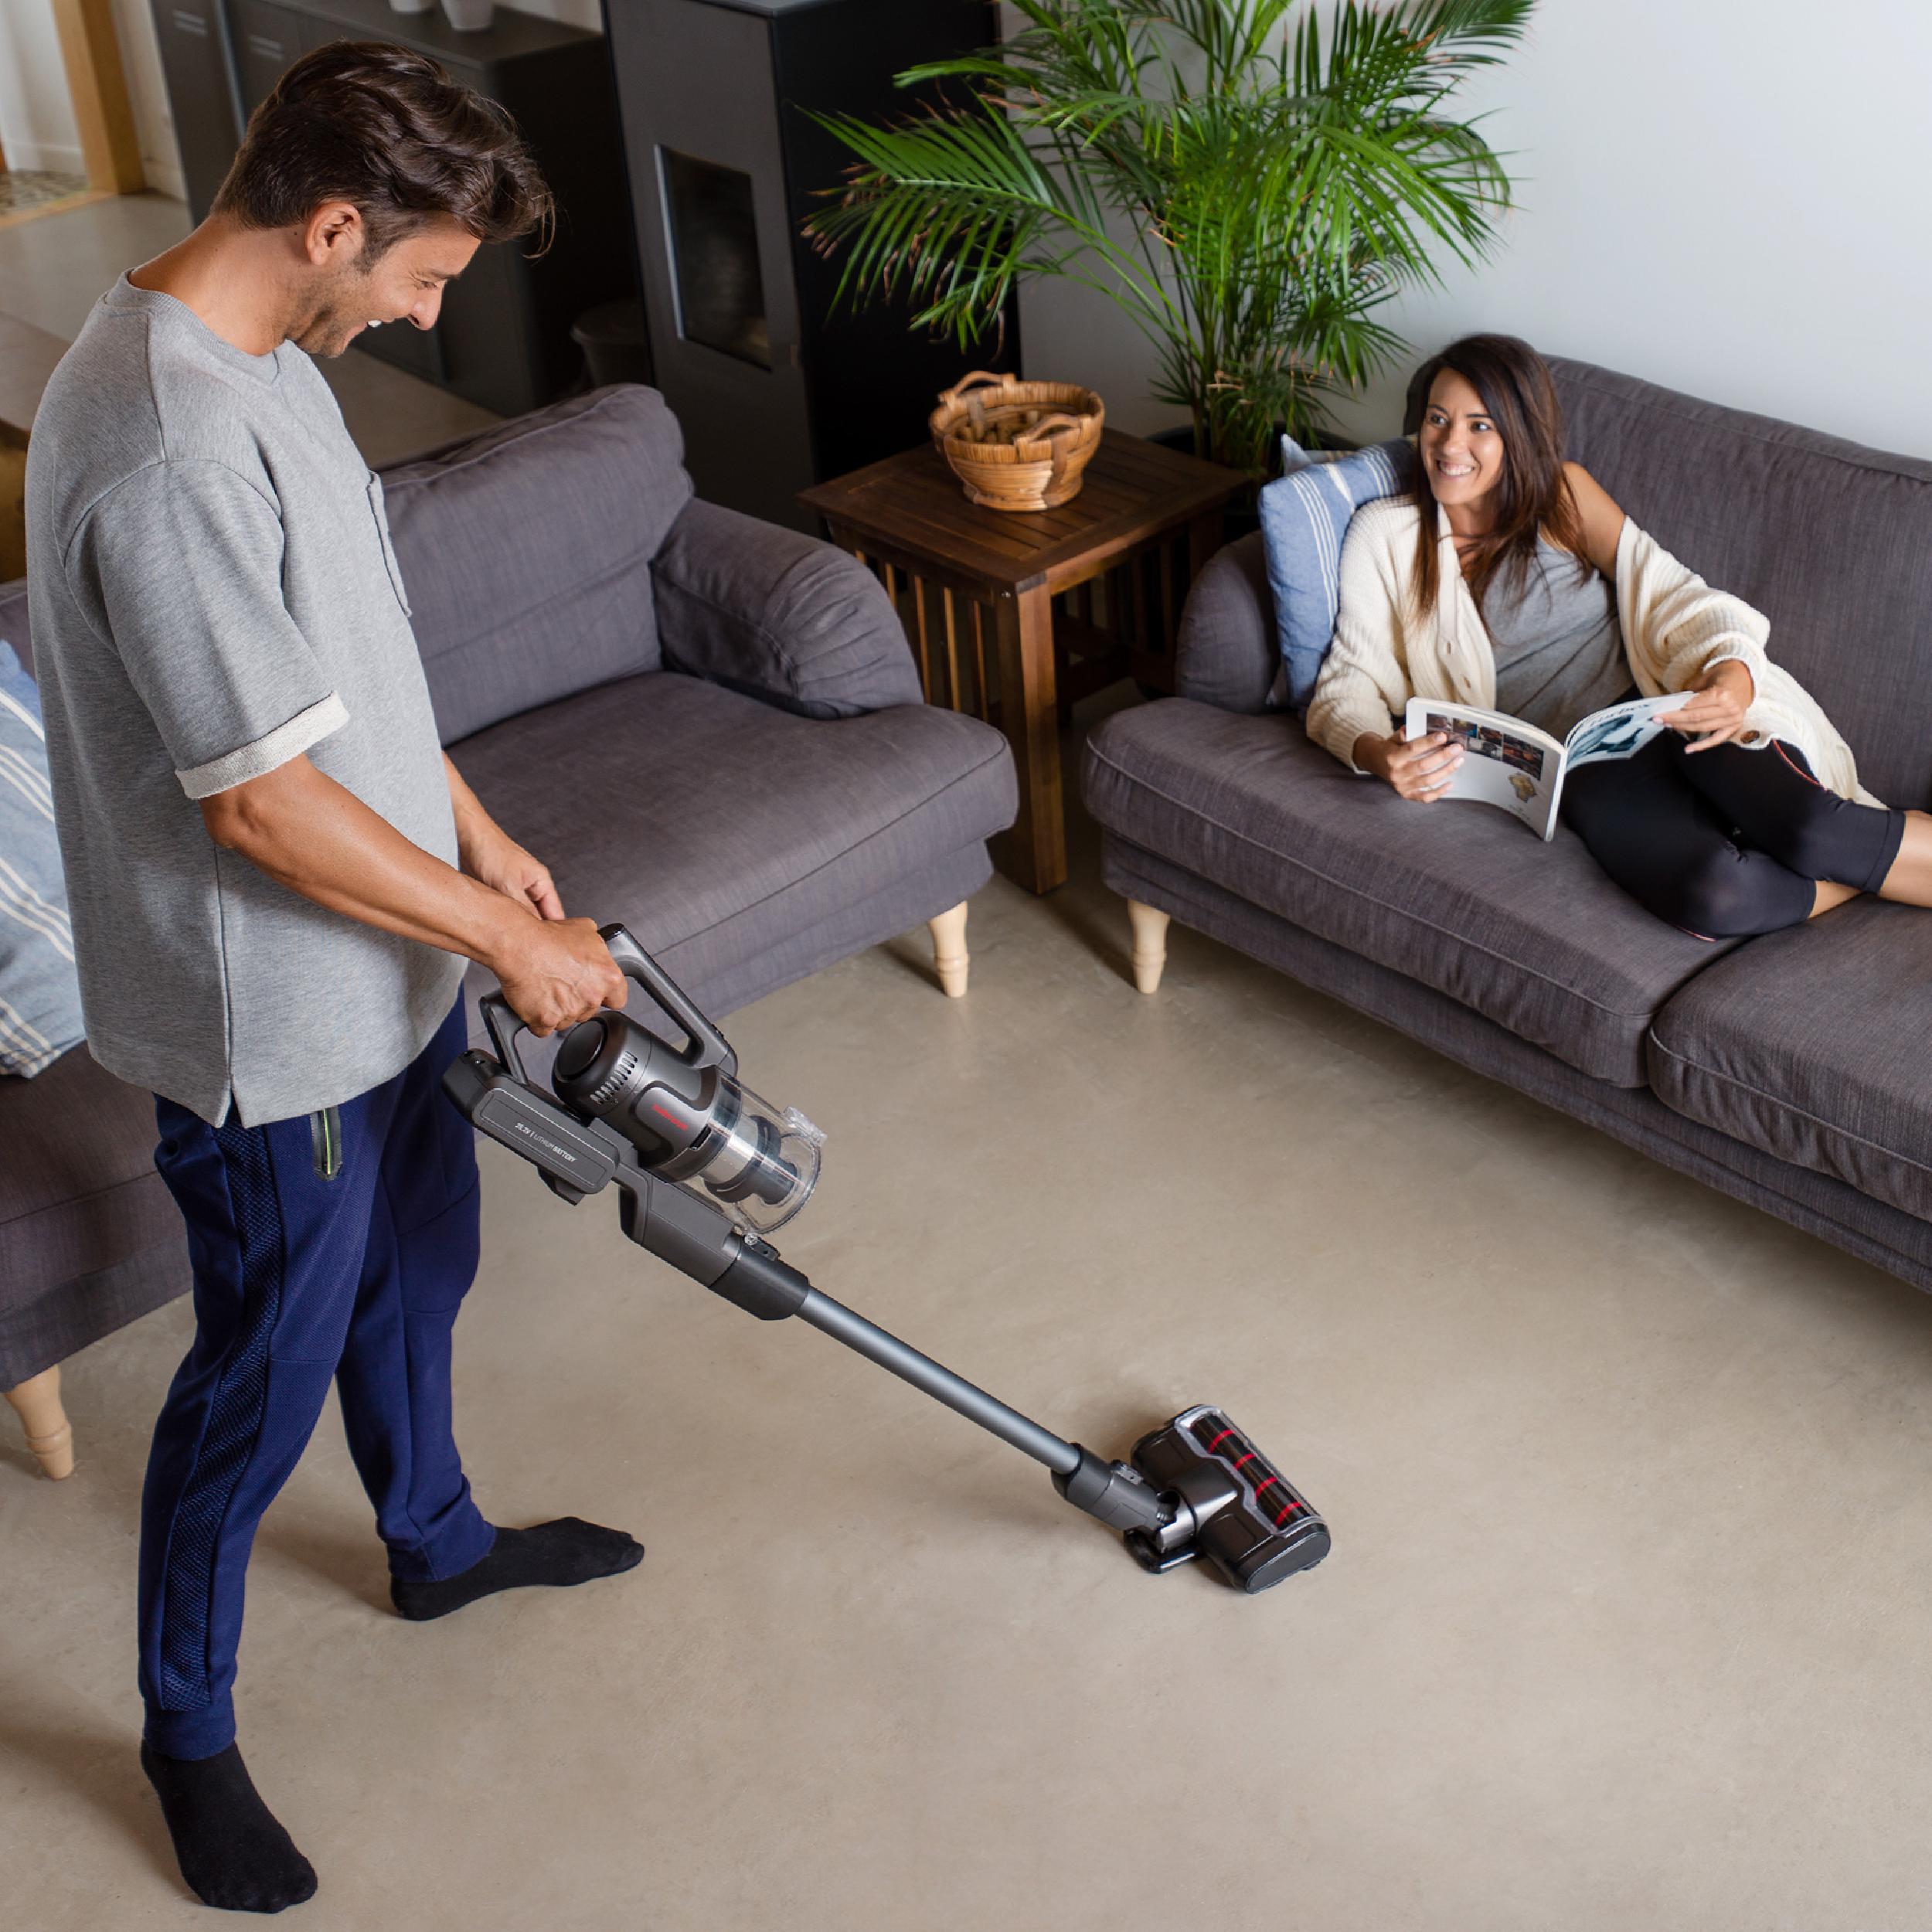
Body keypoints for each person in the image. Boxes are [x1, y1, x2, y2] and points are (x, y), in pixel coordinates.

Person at [25, 42, 641, 1914]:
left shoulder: (276, 359)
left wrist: (475, 834)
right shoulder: (161, 438)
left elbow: (342, 671)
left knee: (422, 1270)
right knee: (257, 1382)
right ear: (332, 223)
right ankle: (187, 1734)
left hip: (390, 970)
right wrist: (516, 943)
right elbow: (264, 807)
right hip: (268, 1023)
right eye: (426, 276)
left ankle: (432, 1541)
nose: (426, 312)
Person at [1306, 332, 1932, 936]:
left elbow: (1669, 591)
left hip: (1668, 703)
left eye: (1480, 426)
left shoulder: (1561, 498)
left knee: (1812, 830)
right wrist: (1376, 753)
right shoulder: (1384, 537)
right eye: (1438, 420)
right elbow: (1347, 682)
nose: (1450, 445)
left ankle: (1859, 852)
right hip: (1585, 764)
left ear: (1517, 434)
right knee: (1715, 893)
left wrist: (1733, 675)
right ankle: (1864, 874)